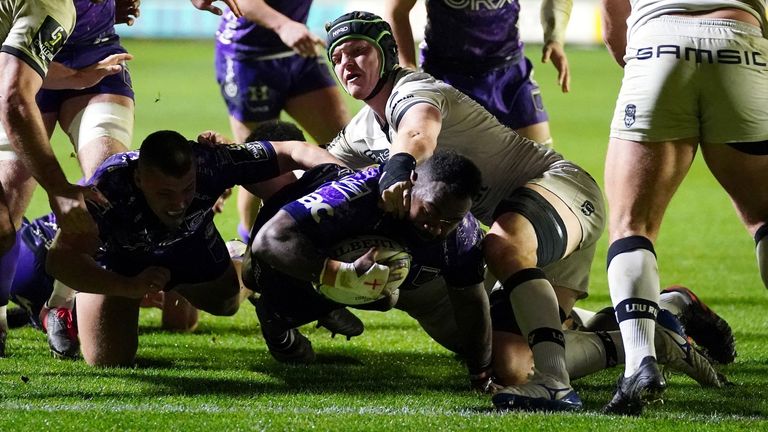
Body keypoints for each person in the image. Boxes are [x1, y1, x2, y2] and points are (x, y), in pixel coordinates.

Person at [323, 11, 603, 411]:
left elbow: (418, 134)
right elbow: (319, 172)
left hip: (563, 189)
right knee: (509, 364)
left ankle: (556, 385)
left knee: (501, 246)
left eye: (358, 51)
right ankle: (644, 330)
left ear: (386, 54)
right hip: (531, 230)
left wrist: (398, 170)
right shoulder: (362, 127)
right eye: (338, 57)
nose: (347, 63)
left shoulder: (413, 90)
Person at [45, 129, 341, 367]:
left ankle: (246, 262)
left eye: (187, 189)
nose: (178, 204)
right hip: (124, 262)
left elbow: (291, 151)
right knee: (108, 360)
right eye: (165, 193)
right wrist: (128, 286)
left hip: (190, 246)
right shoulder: (107, 192)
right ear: (138, 179)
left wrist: (351, 178)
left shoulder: (210, 162)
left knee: (226, 304)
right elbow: (59, 261)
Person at [600, 0, 768, 415]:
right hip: (740, 41)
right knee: (765, 218)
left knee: (631, 224)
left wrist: (644, 61)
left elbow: (611, 15)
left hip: (658, 42)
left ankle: (640, 362)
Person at [247, 150, 495, 391]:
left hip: (350, 264)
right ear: (411, 182)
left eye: (450, 222)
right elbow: (269, 240)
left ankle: (330, 302)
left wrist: (480, 372)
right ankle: (274, 319)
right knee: (253, 278)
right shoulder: (360, 192)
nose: (436, 229)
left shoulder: (463, 234)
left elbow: (471, 303)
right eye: (430, 211)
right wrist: (340, 274)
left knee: (387, 297)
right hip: (289, 246)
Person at [0, 0, 131, 357]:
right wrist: (59, 190)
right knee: (5, 207)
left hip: (95, 59)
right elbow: (12, 97)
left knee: (111, 181)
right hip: (20, 67)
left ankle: (60, 304)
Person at [214, 0, 350, 243]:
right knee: (257, 160)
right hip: (249, 55)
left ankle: (351, 232)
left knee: (345, 142)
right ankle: (250, 245)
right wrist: (283, 25)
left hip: (298, 49)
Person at [384, 0, 571, 145]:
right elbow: (397, 10)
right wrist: (407, 66)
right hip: (445, 77)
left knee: (538, 165)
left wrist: (555, 38)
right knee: (444, 176)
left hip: (509, 74)